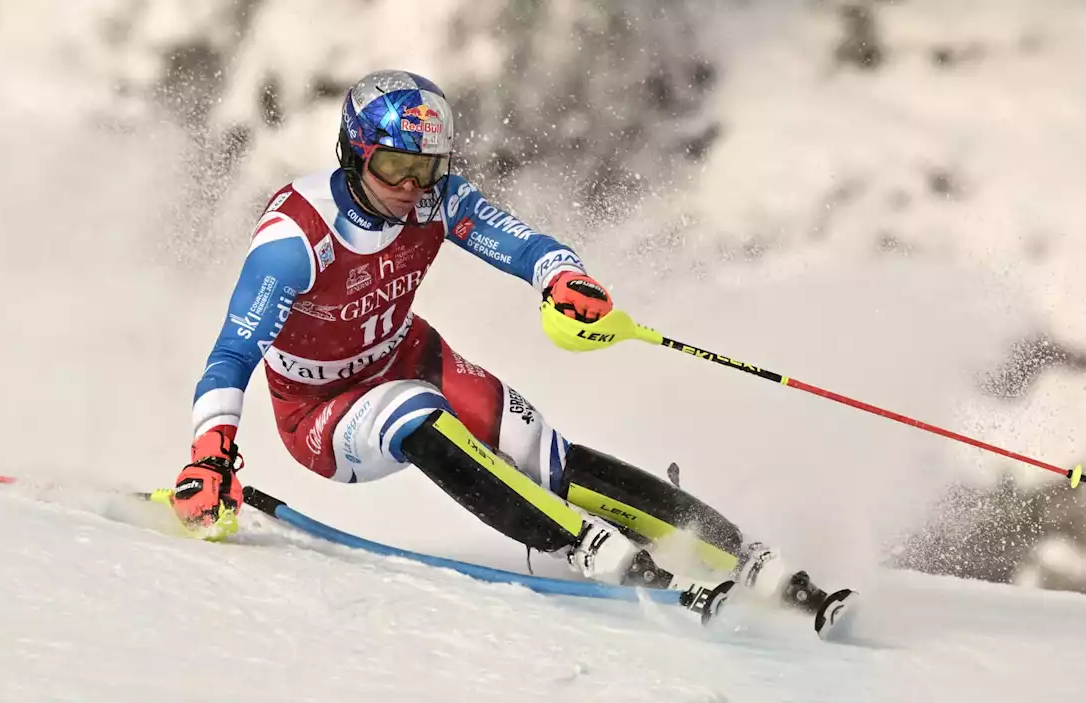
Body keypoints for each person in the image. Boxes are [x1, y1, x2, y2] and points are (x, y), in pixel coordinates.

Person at [170, 69, 828, 619]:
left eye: (427, 168)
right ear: (354, 152)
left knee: (542, 456)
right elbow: (232, 352)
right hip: (321, 411)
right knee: (414, 414)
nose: (410, 186)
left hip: (408, 353)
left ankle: (739, 553)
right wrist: (211, 451)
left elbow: (524, 245)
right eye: (395, 165)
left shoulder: (435, 199)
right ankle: (582, 545)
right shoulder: (296, 238)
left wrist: (564, 279)